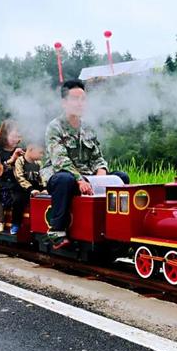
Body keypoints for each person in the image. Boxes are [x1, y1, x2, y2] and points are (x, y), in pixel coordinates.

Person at [41, 79, 130, 248]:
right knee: (64, 180)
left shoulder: (89, 128)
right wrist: (79, 179)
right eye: (75, 99)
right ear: (64, 103)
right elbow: (60, 160)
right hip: (62, 177)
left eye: (83, 99)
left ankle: (117, 227)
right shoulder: (55, 127)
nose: (80, 103)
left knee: (121, 178)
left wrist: (102, 172)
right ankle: (56, 230)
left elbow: (98, 157)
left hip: (89, 179)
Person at [12, 143, 47, 235]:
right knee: (18, 201)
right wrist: (30, 189)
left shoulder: (39, 163)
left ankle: (40, 225)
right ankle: (16, 223)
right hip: (22, 189)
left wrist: (44, 188)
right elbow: (20, 177)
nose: (42, 155)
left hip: (36, 189)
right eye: (40, 152)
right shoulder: (20, 161)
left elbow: (42, 176)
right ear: (31, 149)